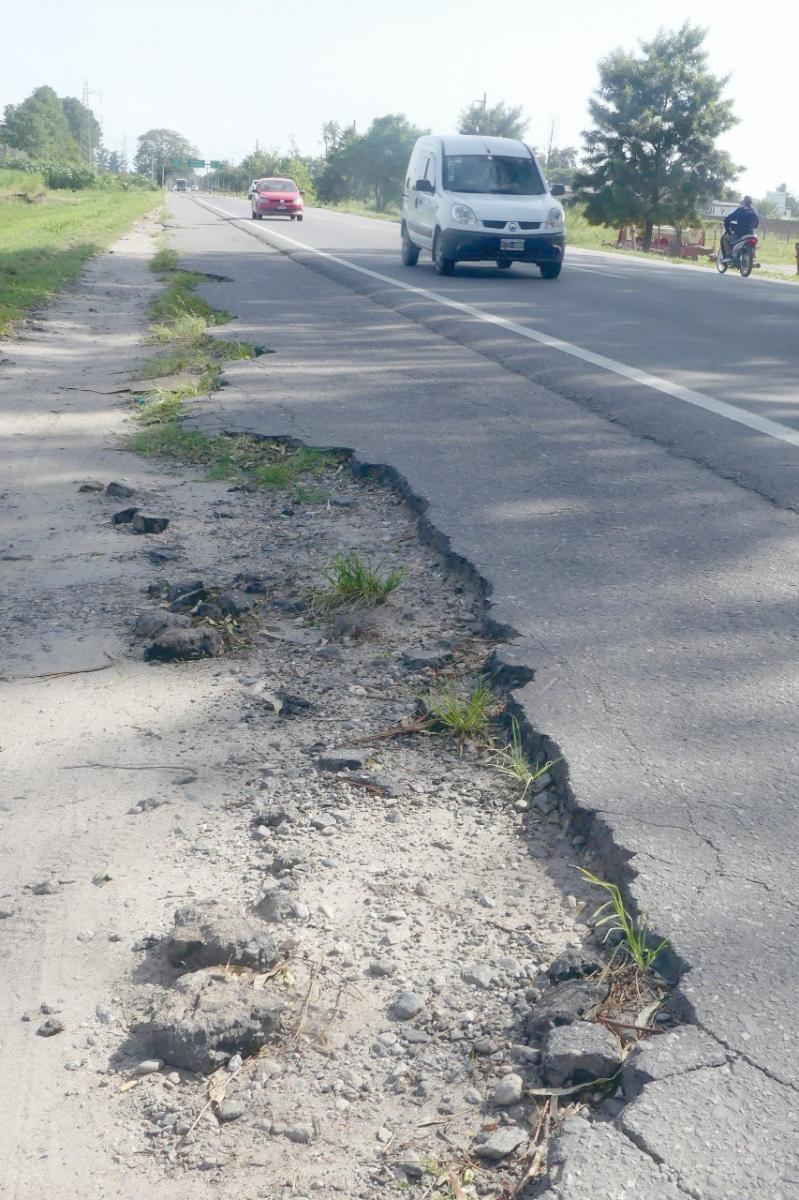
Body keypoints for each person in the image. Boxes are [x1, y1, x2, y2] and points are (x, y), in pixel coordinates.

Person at [722, 196, 759, 261]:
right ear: (751, 203)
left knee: (725, 238)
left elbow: (727, 219)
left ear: (744, 202)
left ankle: (728, 256)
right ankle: (753, 257)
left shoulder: (740, 210)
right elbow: (756, 225)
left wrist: (728, 230)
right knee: (754, 243)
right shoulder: (754, 212)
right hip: (750, 234)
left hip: (739, 234)